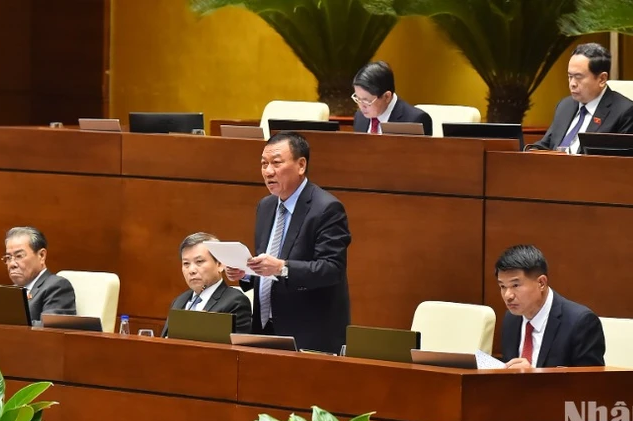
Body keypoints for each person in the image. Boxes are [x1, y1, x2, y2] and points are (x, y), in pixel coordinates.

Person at [225, 131, 351, 353]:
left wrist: (282, 268)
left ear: (301, 165)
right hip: (264, 329)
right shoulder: (265, 206)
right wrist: (246, 273)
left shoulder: (326, 209)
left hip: (309, 335)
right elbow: (268, 266)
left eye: (276, 163)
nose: (268, 171)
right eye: (263, 164)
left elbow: (332, 269)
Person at [496, 244, 605, 368]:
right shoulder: (511, 319)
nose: (508, 296)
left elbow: (591, 380)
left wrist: (532, 375)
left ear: (541, 283)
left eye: (515, 285)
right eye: (502, 286)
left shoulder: (580, 323)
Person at [535, 43, 633, 154]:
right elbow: (546, 145)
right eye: (570, 76)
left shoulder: (625, 112)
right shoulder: (565, 105)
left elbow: (627, 162)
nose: (572, 84)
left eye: (578, 77)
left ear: (602, 79)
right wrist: (529, 151)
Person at [0, 227, 76, 321]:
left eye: (19, 256)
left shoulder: (57, 286)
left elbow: (50, 329)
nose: (12, 264)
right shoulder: (10, 292)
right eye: (8, 257)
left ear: (41, 255)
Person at [161, 232, 252, 337]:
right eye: (186, 263)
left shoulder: (235, 302)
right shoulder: (179, 301)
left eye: (199, 261)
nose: (191, 270)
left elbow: (234, 346)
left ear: (220, 264)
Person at [352, 61, 433, 136]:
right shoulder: (360, 117)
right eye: (358, 98)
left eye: (367, 101)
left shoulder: (415, 120)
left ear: (387, 96)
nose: (361, 106)